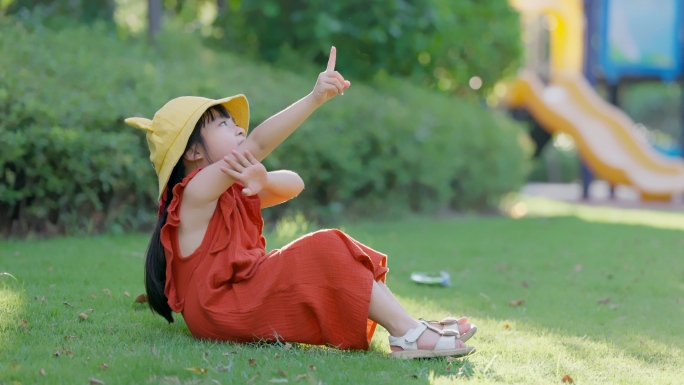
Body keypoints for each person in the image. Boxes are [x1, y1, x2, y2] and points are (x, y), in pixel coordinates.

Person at [125, 47, 477, 359]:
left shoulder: (231, 188)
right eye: (222, 124)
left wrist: (263, 180)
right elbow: (259, 145)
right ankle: (409, 334)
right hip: (223, 307)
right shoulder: (194, 194)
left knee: (336, 245)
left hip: (242, 294)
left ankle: (408, 327)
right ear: (193, 151)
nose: (239, 130)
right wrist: (313, 99)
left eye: (235, 123)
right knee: (325, 247)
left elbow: (295, 184)